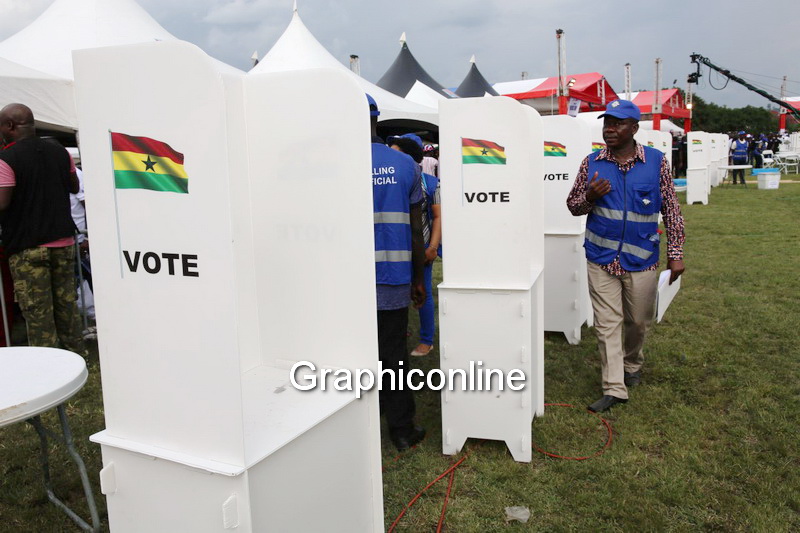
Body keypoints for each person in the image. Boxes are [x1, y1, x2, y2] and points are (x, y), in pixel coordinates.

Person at [566, 99, 685, 413]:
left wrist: (676, 253)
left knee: (637, 322)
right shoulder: (591, 162)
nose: (610, 129)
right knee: (607, 324)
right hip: (600, 256)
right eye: (607, 123)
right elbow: (573, 205)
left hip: (641, 258)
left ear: (634, 128)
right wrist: (590, 197)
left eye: (618, 123)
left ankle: (632, 364)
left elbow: (671, 210)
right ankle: (614, 388)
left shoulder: (656, 162)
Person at [0, 103, 84, 353]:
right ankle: (77, 359)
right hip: (64, 242)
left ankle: (49, 369)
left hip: (28, 248)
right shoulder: (60, 151)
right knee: (67, 307)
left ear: (10, 126)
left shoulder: (7, 158)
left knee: (39, 315)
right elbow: (72, 185)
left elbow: (2, 203)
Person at [368, 95, 427, 450]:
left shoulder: (334, 164)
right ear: (377, 120)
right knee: (392, 354)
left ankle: (359, 415)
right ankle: (401, 430)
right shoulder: (405, 165)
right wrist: (419, 279)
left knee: (352, 351)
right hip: (392, 274)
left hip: (347, 281)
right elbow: (416, 229)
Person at [387, 134, 441, 357]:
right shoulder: (392, 180)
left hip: (422, 249)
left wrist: (432, 247)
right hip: (397, 248)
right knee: (396, 291)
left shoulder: (430, 182)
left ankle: (427, 340)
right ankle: (400, 331)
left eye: (395, 152)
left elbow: (438, 217)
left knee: (423, 292)